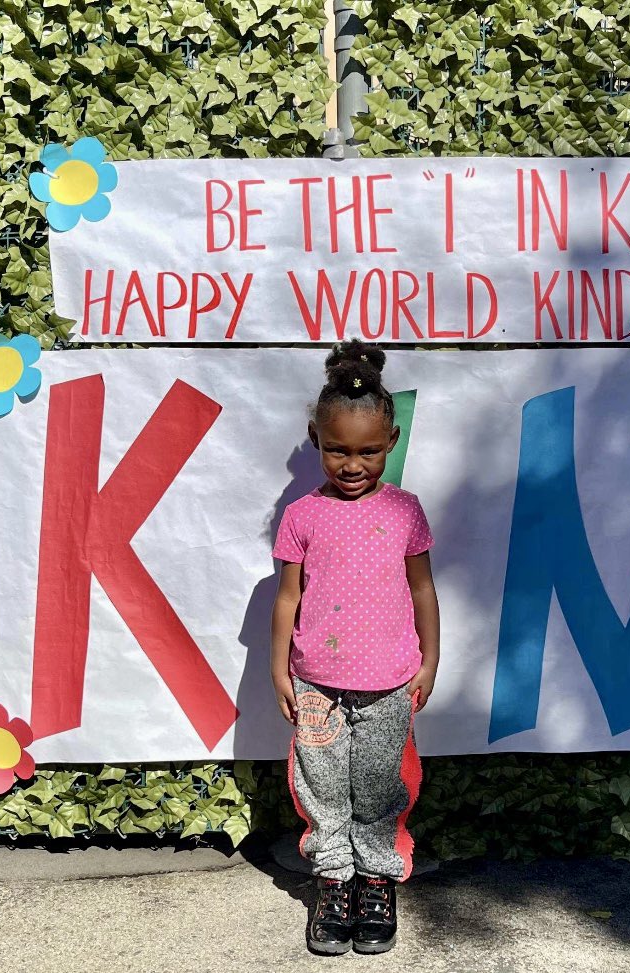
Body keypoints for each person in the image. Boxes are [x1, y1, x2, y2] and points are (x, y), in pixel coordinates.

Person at [270, 340, 440, 955]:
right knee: (320, 785)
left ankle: (375, 881)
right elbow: (288, 598)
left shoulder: (406, 511)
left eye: (368, 451)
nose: (351, 464)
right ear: (316, 439)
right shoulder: (301, 515)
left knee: (377, 785)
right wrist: (279, 668)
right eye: (337, 449)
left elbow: (422, 589)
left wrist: (430, 660)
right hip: (316, 681)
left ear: (390, 442)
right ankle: (334, 881)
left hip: (390, 680)